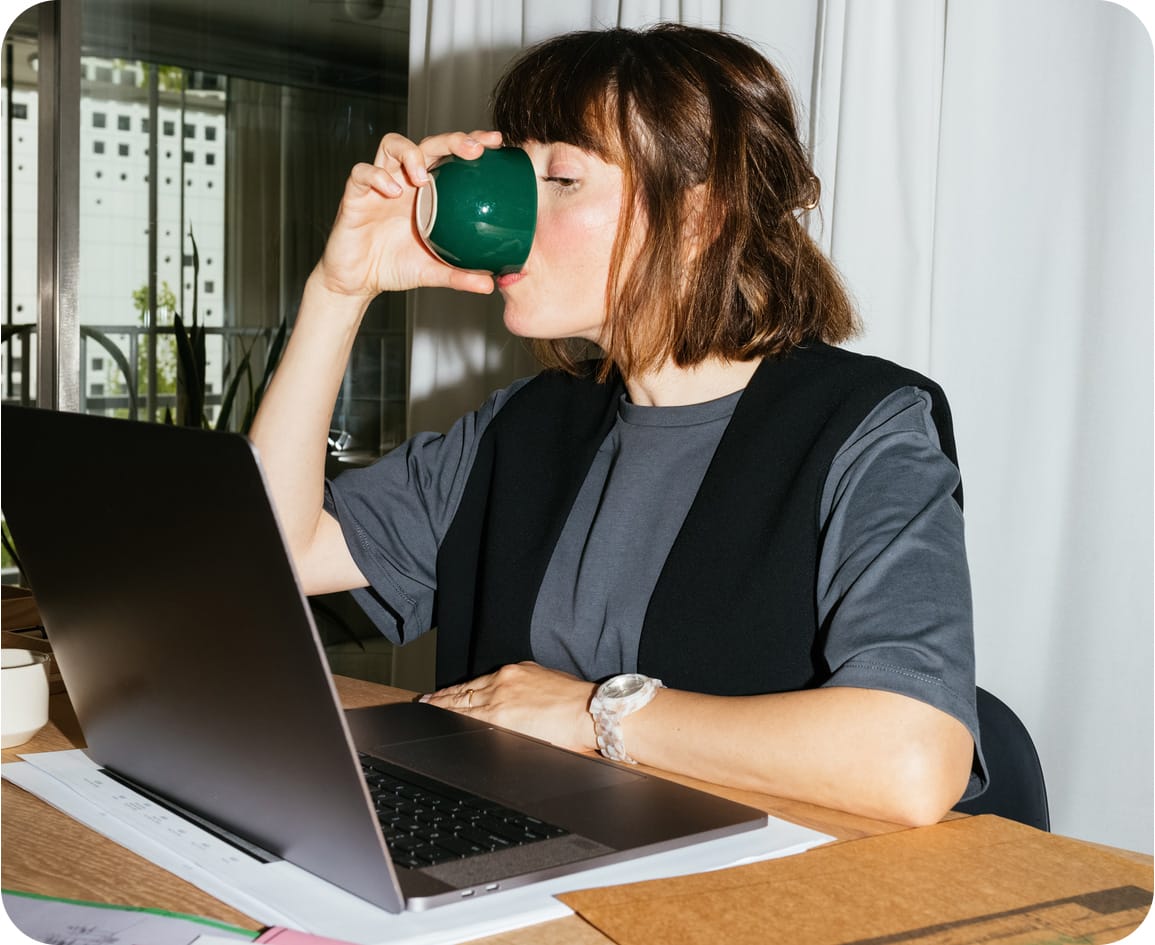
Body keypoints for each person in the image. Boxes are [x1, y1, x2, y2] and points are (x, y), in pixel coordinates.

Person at [249, 23, 985, 827]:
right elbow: (272, 549)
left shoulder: (864, 430)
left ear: (701, 216)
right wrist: (340, 288)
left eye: (561, 177)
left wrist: (589, 713)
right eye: (514, 170)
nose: (518, 208)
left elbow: (914, 758)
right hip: (506, 847)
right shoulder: (523, 426)